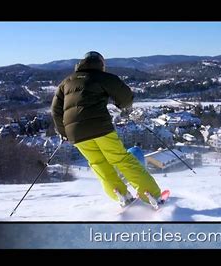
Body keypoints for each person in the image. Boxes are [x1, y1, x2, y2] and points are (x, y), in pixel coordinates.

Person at [51, 51, 161, 206]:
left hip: (76, 133)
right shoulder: (102, 77)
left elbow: (55, 110)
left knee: (98, 163)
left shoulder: (66, 82)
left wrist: (63, 132)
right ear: (101, 64)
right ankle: (151, 194)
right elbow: (125, 96)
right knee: (121, 159)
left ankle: (120, 194)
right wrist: (122, 106)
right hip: (100, 127)